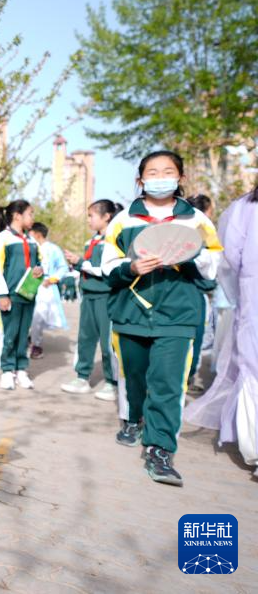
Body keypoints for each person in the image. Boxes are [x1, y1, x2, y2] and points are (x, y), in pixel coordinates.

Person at [101, 150, 222, 486]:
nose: (160, 178)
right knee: (135, 377)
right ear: (140, 179)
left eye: (168, 171)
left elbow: (214, 262)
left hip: (178, 315)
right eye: (152, 173)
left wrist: (188, 257)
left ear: (180, 177)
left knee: (168, 384)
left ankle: (160, 450)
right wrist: (131, 267)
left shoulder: (196, 220)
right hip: (131, 312)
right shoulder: (124, 219)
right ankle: (134, 418)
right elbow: (108, 265)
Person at [185, 185, 258, 477]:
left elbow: (230, 261)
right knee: (252, 368)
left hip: (252, 297)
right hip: (252, 299)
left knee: (253, 368)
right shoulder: (244, 208)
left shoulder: (243, 209)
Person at [60, 199, 124, 401]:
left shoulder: (114, 240)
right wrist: (77, 263)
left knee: (107, 342)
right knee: (85, 338)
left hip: (106, 296)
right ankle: (82, 377)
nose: (88, 220)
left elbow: (107, 270)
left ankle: (112, 382)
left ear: (106, 217)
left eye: (91, 216)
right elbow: (88, 267)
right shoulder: (91, 241)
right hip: (88, 296)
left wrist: (81, 262)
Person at [0, 200, 44, 390]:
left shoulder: (32, 241)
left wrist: (39, 270)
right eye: (30, 213)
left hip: (28, 294)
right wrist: (2, 295)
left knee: (24, 334)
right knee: (9, 334)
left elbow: (40, 262)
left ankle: (21, 369)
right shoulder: (3, 239)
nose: (33, 218)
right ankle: (7, 370)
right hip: (11, 295)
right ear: (17, 216)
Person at [186, 193, 216, 393]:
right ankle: (188, 378)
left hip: (178, 293)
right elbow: (209, 274)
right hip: (195, 294)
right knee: (194, 339)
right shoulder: (202, 236)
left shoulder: (177, 232)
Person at [28, 222, 69, 359]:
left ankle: (36, 345)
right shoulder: (29, 247)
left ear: (38, 234)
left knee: (38, 316)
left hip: (44, 287)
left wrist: (52, 279)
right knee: (27, 314)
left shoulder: (53, 249)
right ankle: (29, 338)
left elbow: (63, 267)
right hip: (28, 284)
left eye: (31, 233)